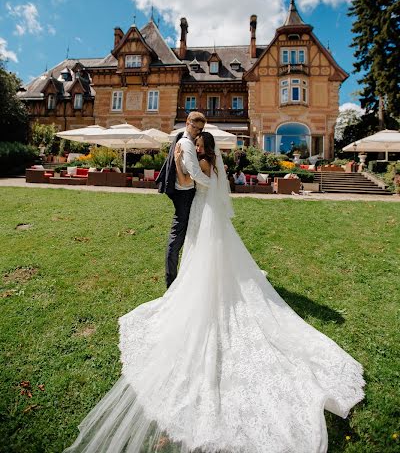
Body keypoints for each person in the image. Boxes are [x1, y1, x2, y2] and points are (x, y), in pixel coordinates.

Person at [64, 134, 364, 453]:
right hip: (213, 217)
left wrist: (181, 160)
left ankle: (203, 285)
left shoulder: (203, 162)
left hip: (203, 217)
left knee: (201, 255)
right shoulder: (216, 166)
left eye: (199, 144)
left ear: (204, 148)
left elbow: (187, 179)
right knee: (220, 255)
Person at [156, 111, 210, 288]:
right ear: (188, 123)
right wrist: (214, 184)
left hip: (185, 192)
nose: (198, 132)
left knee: (189, 234)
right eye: (196, 128)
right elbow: (194, 174)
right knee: (176, 238)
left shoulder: (185, 139)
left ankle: (191, 274)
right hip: (184, 194)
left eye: (201, 129)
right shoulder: (186, 143)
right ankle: (171, 281)